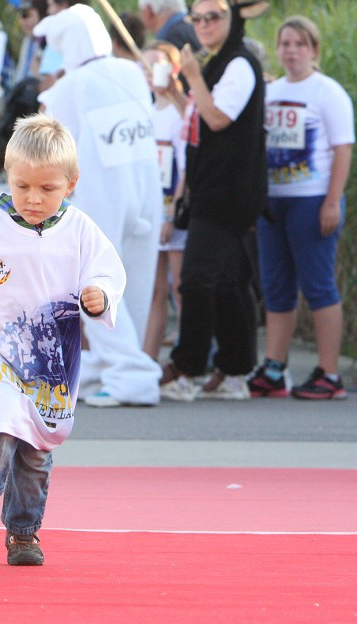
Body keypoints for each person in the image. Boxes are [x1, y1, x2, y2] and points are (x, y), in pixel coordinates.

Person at [0, 115, 125, 566]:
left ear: (70, 184)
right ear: (7, 176)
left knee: (34, 448)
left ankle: (24, 532)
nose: (33, 199)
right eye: (22, 186)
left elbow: (107, 272)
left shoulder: (80, 230)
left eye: (47, 189)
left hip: (50, 360)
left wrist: (100, 294)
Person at [36, 3, 163, 408]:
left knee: (94, 281)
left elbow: (45, 140)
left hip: (103, 195)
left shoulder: (67, 88)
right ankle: (113, 363)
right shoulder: (130, 71)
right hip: (146, 188)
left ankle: (130, 372)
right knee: (136, 283)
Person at [157, 0, 266, 402]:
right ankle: (235, 370)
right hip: (216, 187)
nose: (203, 24)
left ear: (233, 17)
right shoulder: (219, 63)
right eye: (197, 18)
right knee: (228, 281)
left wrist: (190, 76)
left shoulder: (238, 63)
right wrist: (176, 94)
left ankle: (187, 368)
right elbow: (204, 117)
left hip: (227, 191)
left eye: (213, 16)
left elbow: (219, 117)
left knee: (197, 279)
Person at [249, 15, 354, 401]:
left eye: (299, 44)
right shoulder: (271, 93)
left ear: (313, 50)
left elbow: (343, 149)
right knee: (276, 288)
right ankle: (275, 369)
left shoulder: (328, 93)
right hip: (274, 202)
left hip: (313, 200)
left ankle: (330, 373)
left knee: (318, 285)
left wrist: (332, 201)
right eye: (285, 44)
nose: (291, 51)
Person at [141, 41, 187, 361]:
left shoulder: (178, 114)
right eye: (144, 67)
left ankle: (187, 360)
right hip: (149, 215)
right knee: (153, 291)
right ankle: (148, 359)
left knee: (181, 288)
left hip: (174, 215)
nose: (148, 73)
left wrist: (171, 217)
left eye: (155, 65)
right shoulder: (142, 111)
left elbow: (185, 169)